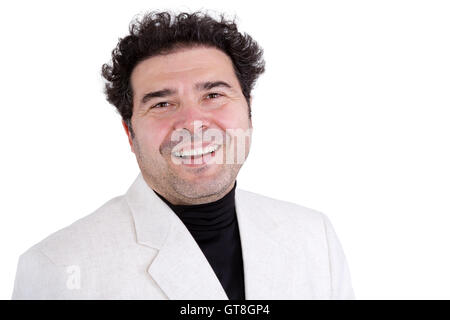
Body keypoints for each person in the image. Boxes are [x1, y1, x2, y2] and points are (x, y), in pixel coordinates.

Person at [12, 10, 354, 300]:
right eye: (162, 104)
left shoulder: (314, 237)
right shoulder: (57, 267)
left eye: (213, 95)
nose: (192, 124)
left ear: (249, 110)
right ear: (130, 134)